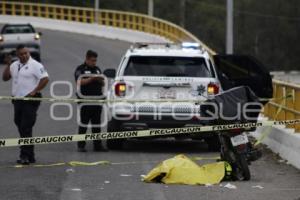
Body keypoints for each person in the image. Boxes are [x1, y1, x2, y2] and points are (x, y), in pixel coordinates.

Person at [2, 44, 49, 165]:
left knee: (25, 127)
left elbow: (45, 79)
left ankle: (24, 155)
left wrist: (34, 91)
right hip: (17, 100)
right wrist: (8, 64)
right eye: (21, 54)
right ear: (17, 55)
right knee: (20, 124)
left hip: (30, 99)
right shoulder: (14, 65)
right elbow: (5, 78)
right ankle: (31, 155)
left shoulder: (35, 65)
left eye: (26, 53)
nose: (24, 55)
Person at [74, 50, 106, 152]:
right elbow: (79, 81)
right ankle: (81, 145)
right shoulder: (81, 69)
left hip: (97, 101)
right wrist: (92, 79)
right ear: (87, 59)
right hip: (85, 102)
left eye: (95, 60)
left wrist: (100, 79)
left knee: (96, 125)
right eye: (92, 60)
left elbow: (103, 83)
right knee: (84, 124)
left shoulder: (97, 69)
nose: (94, 63)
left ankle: (97, 145)